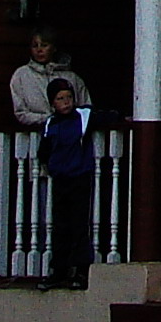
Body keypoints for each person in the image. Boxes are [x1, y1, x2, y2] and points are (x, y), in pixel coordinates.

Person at [39, 78, 105, 290]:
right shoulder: (50, 124)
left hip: (79, 176)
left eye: (68, 97)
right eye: (60, 99)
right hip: (60, 178)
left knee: (79, 224)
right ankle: (59, 270)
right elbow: (44, 150)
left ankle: (81, 270)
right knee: (60, 226)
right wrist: (47, 164)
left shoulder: (83, 116)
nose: (66, 102)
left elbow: (105, 117)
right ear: (52, 103)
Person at [8, 27, 90, 132]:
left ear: (54, 47)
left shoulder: (72, 78)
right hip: (36, 135)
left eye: (44, 45)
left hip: (70, 134)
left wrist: (68, 120)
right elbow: (21, 112)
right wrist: (50, 119)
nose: (39, 50)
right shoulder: (21, 75)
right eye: (35, 46)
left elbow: (86, 110)